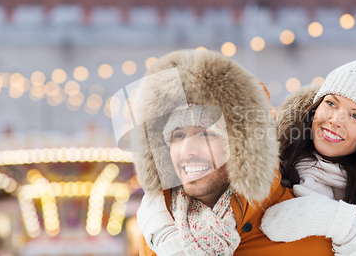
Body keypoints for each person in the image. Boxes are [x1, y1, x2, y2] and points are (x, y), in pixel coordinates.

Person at [133, 50, 335, 255]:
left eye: (206, 134)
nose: (187, 151)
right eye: (177, 136)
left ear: (245, 148)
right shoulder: (159, 235)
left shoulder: (309, 233)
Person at [260, 46, 356, 256]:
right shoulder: (271, 161)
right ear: (316, 107)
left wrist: (339, 223)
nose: (335, 120)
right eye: (331, 103)